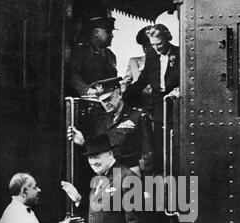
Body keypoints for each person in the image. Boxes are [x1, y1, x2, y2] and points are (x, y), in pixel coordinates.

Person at [68, 77, 155, 177]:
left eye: (108, 99)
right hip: (107, 175)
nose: (106, 104)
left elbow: (149, 155)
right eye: (102, 101)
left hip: (130, 175)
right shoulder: (101, 120)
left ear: (119, 94)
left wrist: (148, 189)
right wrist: (82, 142)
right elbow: (98, 150)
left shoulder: (137, 117)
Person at [123, 24, 179, 171]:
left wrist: (180, 90)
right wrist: (122, 98)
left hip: (176, 105)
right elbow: (141, 81)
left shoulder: (180, 54)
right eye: (153, 44)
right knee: (159, 145)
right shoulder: (152, 56)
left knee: (176, 143)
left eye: (159, 43)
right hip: (159, 106)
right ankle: (162, 179)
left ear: (167, 39)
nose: (156, 48)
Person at [69, 12, 117, 97]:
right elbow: (73, 75)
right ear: (96, 33)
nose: (112, 35)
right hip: (87, 100)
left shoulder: (110, 55)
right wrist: (86, 90)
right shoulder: (81, 52)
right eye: (109, 32)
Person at [121, 26, 153, 115]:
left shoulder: (163, 61)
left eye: (149, 44)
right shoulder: (134, 62)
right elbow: (126, 82)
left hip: (157, 104)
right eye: (144, 45)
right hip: (140, 104)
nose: (147, 48)